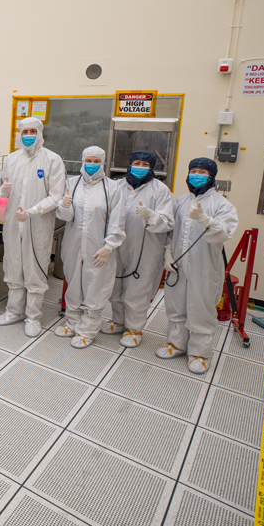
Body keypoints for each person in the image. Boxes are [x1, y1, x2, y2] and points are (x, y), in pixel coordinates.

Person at [160, 158, 238, 374]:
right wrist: (168, 254)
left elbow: (225, 232)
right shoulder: (180, 201)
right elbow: (170, 233)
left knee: (201, 309)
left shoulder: (222, 205)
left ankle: (200, 353)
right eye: (193, 170)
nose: (196, 174)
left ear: (211, 176)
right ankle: (176, 344)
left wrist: (205, 219)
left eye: (201, 171)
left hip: (204, 268)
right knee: (176, 305)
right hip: (178, 265)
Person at [0, 117, 65, 337]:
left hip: (38, 224)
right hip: (14, 222)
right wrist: (4, 191)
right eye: (24, 131)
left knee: (36, 269)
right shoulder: (12, 159)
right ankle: (14, 311)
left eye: (32, 131)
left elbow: (56, 196)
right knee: (13, 265)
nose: (28, 135)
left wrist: (32, 212)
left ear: (40, 133)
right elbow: (2, 192)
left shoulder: (53, 160)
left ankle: (33, 316)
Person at [55, 146, 125, 348]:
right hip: (73, 244)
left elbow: (117, 220)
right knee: (74, 283)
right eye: (89, 160)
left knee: (95, 286)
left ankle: (88, 330)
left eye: (96, 161)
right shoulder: (71, 183)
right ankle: (72, 322)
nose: (92, 164)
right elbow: (65, 218)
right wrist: (65, 205)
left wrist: (109, 247)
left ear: (102, 163)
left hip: (99, 247)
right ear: (82, 161)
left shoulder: (112, 188)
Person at [104, 151, 174, 347]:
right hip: (117, 245)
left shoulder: (160, 190)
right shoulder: (117, 186)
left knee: (138, 289)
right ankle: (118, 321)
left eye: (144, 164)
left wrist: (150, 215)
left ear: (151, 168)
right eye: (136, 163)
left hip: (146, 249)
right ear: (129, 164)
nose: (140, 167)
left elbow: (168, 222)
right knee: (115, 284)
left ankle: (134, 328)